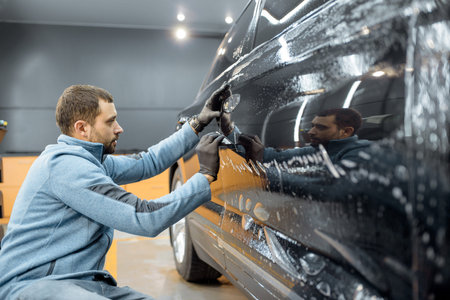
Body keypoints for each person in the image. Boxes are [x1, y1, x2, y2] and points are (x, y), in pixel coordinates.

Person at [0, 84, 231, 300]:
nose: (119, 129)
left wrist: (197, 124)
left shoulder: (90, 161)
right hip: (32, 285)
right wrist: (204, 175)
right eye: (110, 122)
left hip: (78, 282)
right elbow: (144, 217)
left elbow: (147, 162)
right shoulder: (66, 167)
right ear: (82, 128)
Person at [237, 108, 371, 165]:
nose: (311, 132)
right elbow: (275, 156)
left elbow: (327, 186)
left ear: (346, 132)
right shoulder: (318, 150)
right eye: (313, 125)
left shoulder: (361, 153)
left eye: (321, 127)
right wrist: (230, 131)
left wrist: (266, 175)